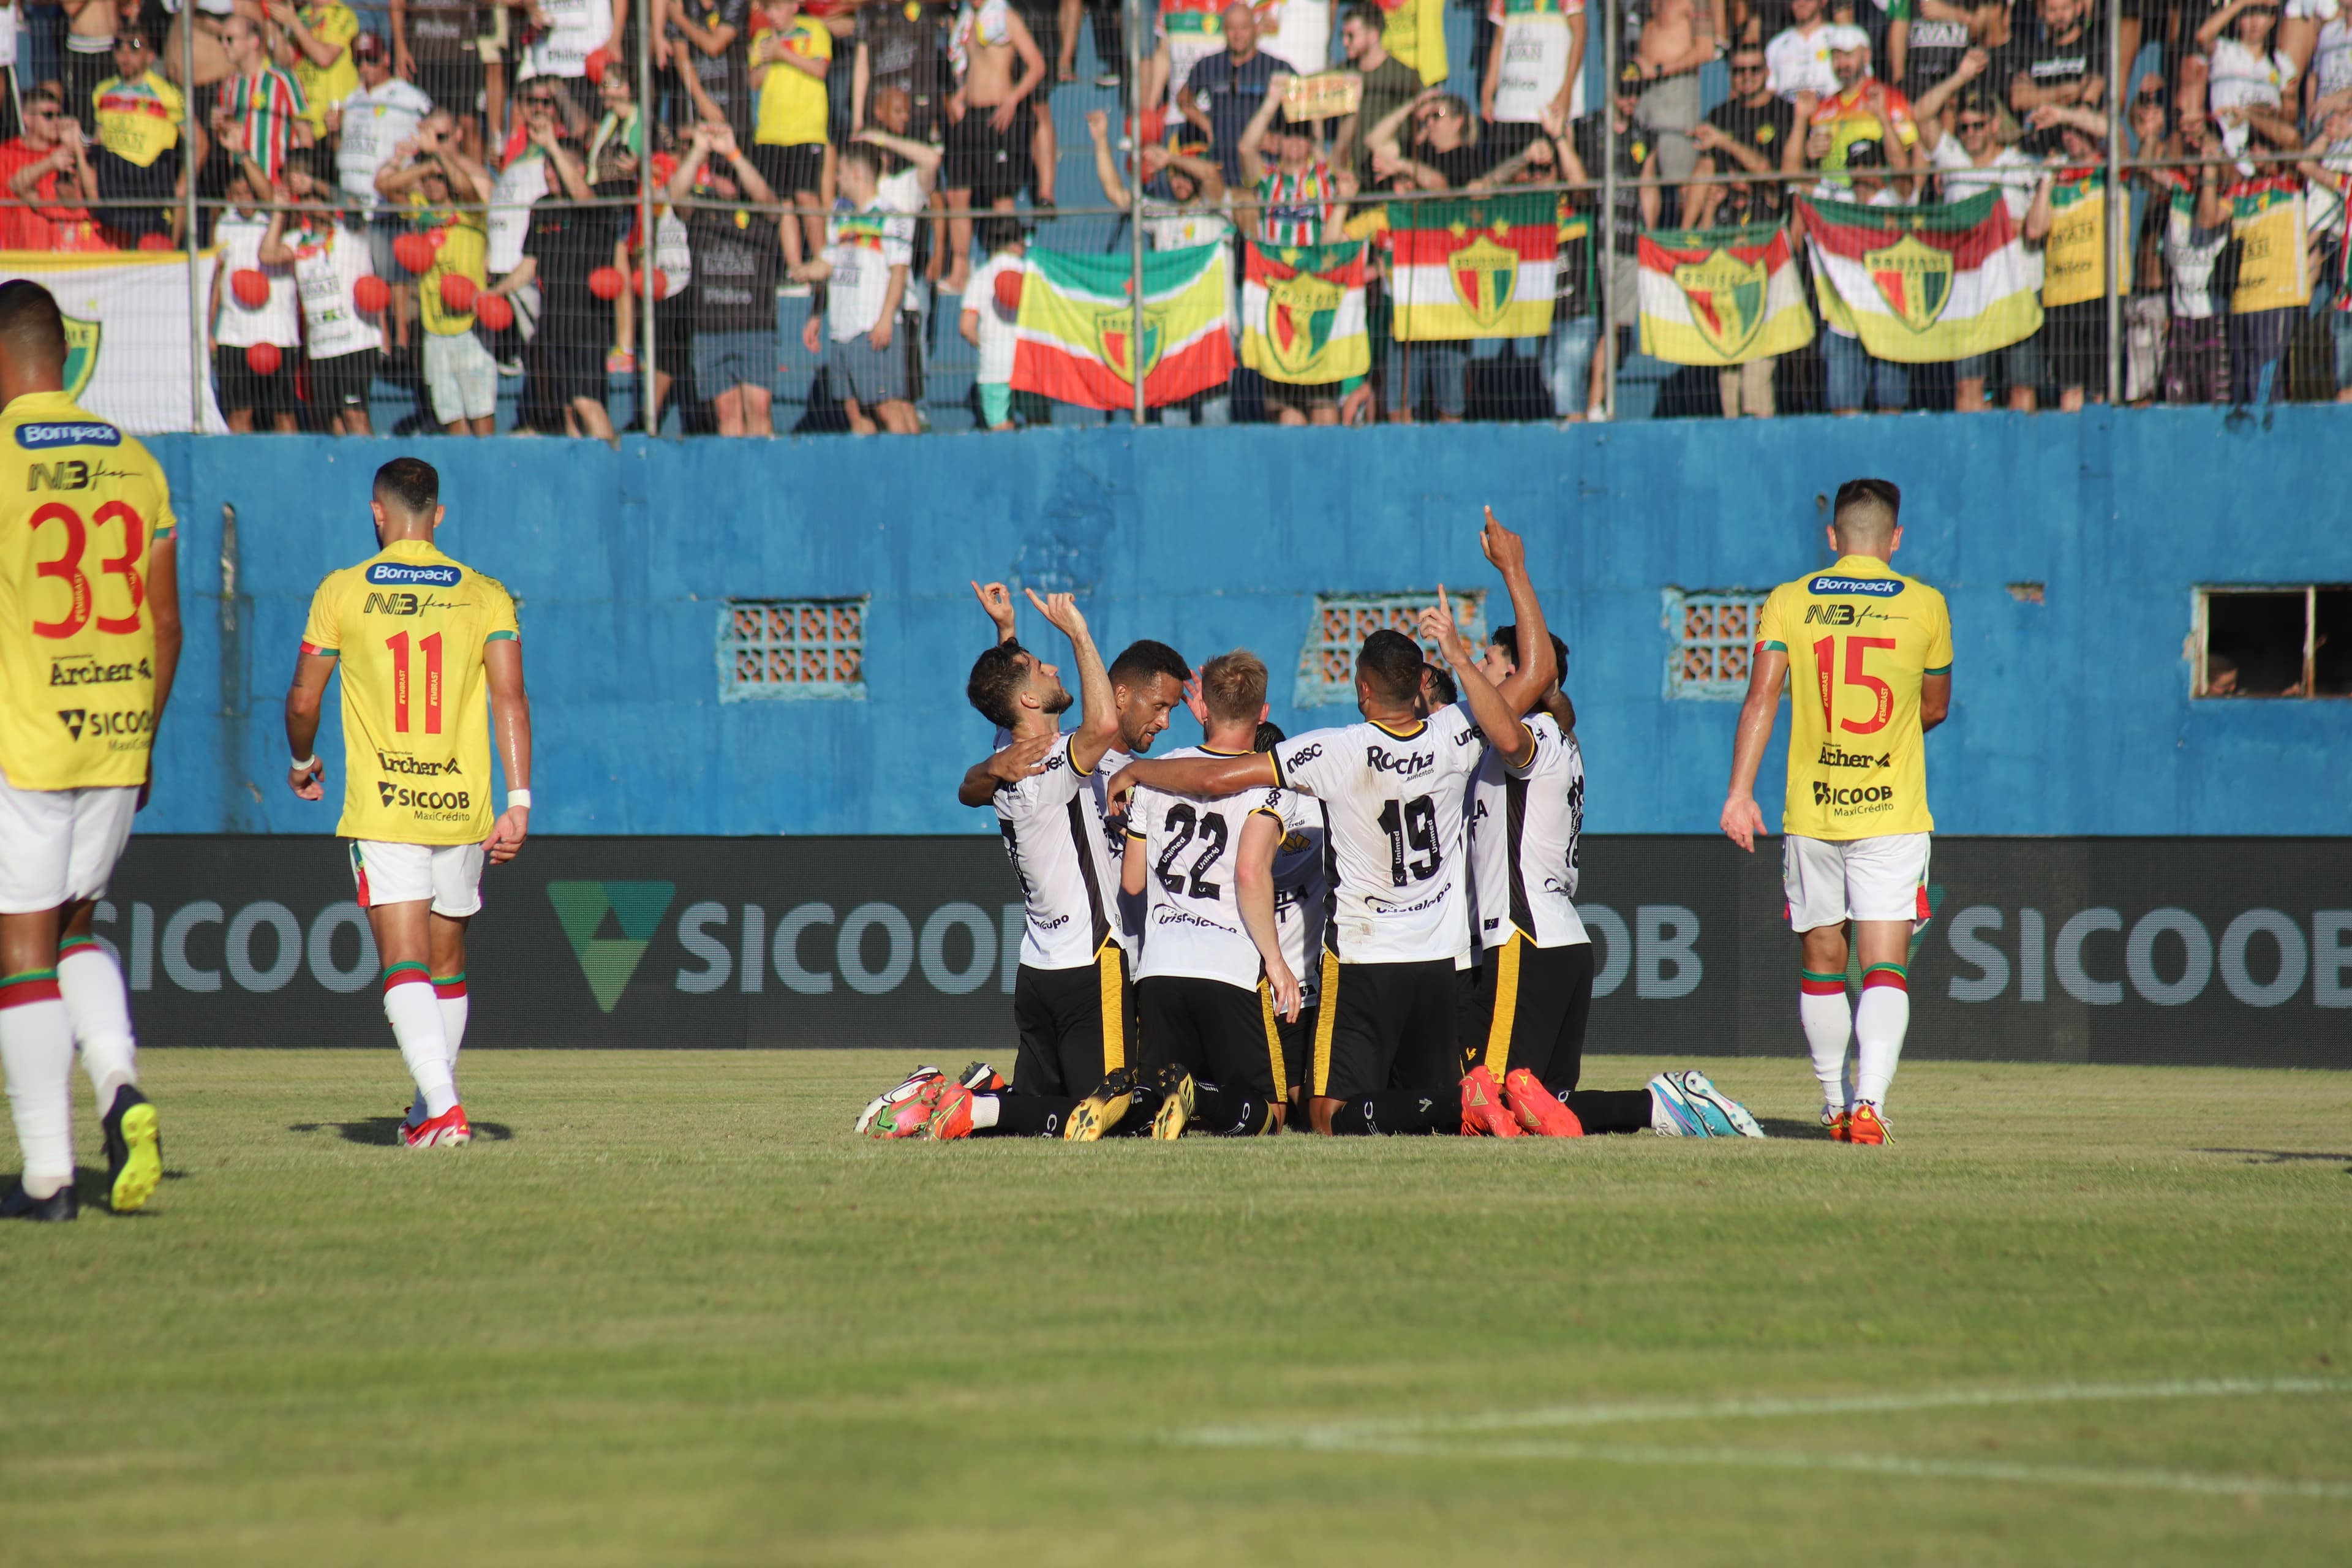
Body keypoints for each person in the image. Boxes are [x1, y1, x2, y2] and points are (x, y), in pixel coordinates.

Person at [1102, 514, 1555, 1138]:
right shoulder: (1458, 732)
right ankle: (1462, 1104)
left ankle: (1456, 1105)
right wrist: (1513, 573)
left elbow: (1213, 780)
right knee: (1419, 1102)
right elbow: (1536, 673)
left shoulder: (1334, 751)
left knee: (1323, 1114)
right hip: (1441, 958)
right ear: (1424, 684)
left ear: (1362, 690)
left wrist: (1142, 772)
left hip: (1365, 955)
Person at [1438, 604, 1764, 1137]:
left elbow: (1511, 730)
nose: (1480, 665)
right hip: (1561, 940)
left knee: (1484, 1104)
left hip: (1525, 936)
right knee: (1542, 1109)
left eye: (1492, 660)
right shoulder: (1560, 736)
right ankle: (1659, 1106)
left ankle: (1662, 1102)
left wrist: (1460, 649)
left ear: (1524, 674)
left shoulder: (1533, 737)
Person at [285, 458, 533, 1152]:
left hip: (387, 807)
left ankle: (444, 1107)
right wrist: (519, 800)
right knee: (447, 963)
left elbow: (304, 698)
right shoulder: (485, 594)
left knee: (405, 962)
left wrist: (303, 763)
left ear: (377, 512)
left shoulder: (342, 591)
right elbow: (510, 698)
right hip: (463, 806)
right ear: (440, 517)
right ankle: (431, 1106)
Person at [0, 279, 178, 1221]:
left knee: (21, 951)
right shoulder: (137, 463)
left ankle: (47, 1178)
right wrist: (143, 741)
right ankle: (119, 1088)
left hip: (24, 738)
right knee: (75, 932)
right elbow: (166, 623)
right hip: (115, 735)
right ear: (64, 356)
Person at [866, 591, 1155, 1140]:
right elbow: (1102, 725)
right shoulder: (1048, 761)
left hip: (1038, 967)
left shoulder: (1009, 755)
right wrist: (1079, 633)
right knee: (1110, 1114)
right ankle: (974, 1108)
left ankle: (969, 1093)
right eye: (1041, 669)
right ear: (1027, 701)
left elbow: (1007, 697)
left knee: (1041, 1115)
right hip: (1089, 961)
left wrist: (1007, 629)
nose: (1052, 668)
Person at [1721, 477, 1952, 1146]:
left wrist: (1740, 792)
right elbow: (1934, 706)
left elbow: (1762, 696)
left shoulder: (1790, 600)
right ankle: (1870, 1105)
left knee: (1823, 962)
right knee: (1884, 964)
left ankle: (1832, 1102)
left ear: (1833, 537)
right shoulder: (1927, 605)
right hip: (1893, 812)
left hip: (1813, 813)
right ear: (1895, 538)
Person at [1117, 650, 1299, 1136]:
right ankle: (1200, 1095)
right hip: (1229, 969)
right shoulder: (1270, 781)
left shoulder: (1157, 773)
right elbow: (1249, 873)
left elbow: (1132, 882)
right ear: (1263, 714)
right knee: (1270, 1112)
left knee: (1157, 1099)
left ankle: (1133, 1096)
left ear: (1205, 710)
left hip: (1160, 970)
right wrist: (1277, 964)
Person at [1916, 47, 2047, 410]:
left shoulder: (2020, 165)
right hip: (1970, 292)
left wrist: (2013, 226)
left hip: (2018, 287)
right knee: (1967, 388)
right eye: (1965, 127)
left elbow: (2037, 223)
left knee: (2022, 389)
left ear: (1993, 124)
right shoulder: (1954, 160)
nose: (1971, 133)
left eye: (1978, 125)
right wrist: (1960, 77)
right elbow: (1921, 113)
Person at [1238, 74, 1357, 423]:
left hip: (1317, 297)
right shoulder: (1268, 178)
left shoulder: (1323, 177)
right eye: (1289, 133)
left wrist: (1349, 107)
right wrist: (1273, 100)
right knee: (1288, 416)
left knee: (1325, 412)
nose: (1295, 142)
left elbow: (1344, 149)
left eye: (1302, 135)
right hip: (1280, 302)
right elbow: (1246, 148)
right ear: (1278, 140)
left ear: (1310, 142)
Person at [378, 111, 499, 434]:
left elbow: (465, 184)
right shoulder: (421, 208)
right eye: (428, 179)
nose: (433, 184)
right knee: (451, 420)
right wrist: (416, 162)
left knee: (481, 418)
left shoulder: (470, 210)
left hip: (470, 330)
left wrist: (440, 158)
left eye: (438, 177)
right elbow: (384, 185)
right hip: (436, 333)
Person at [671, 120, 785, 436]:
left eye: (731, 172)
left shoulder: (759, 208)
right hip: (712, 327)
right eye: (719, 172)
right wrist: (697, 153)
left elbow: (772, 206)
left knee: (759, 410)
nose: (726, 181)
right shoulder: (702, 204)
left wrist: (733, 152)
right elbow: (674, 197)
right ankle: (734, 481)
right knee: (727, 414)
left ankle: (763, 480)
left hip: (755, 325)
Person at [800, 141, 919, 434]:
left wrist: (885, 320)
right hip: (841, 331)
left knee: (888, 407)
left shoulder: (891, 216)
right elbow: (827, 264)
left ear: (855, 174)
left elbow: (899, 272)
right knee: (853, 410)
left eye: (840, 172)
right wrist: (800, 272)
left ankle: (913, 469)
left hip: (870, 328)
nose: (836, 179)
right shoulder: (841, 217)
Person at [263, 149, 385, 434]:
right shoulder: (298, 240)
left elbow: (353, 206)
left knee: (355, 416)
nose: (311, 205)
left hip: (355, 343)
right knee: (333, 423)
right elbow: (268, 255)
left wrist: (313, 183)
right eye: (304, 201)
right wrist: (279, 214)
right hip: (321, 349)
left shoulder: (349, 231)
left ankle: (372, 474)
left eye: (315, 199)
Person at [942, 0, 1046, 291]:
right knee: (957, 195)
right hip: (970, 117)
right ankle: (960, 269)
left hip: (998, 116)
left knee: (1002, 196)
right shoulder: (966, 22)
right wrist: (960, 96)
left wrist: (1013, 98)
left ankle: (1008, 265)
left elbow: (1037, 65)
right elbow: (971, 68)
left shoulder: (1006, 17)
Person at [212, 163, 303, 432]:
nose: (245, 199)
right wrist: (209, 331)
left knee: (283, 414)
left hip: (277, 333)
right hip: (234, 334)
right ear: (230, 195)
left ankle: (291, 470)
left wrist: (242, 153)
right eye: (238, 194)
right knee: (239, 413)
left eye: (250, 193)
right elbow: (216, 280)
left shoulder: (278, 218)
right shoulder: (224, 224)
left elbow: (267, 194)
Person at [89, 29, 198, 247]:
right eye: (119, 47)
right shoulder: (104, 91)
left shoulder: (166, 93)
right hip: (114, 193)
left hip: (151, 192)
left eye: (135, 47)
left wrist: (183, 185)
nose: (125, 55)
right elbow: (97, 143)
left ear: (150, 55)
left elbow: (200, 142)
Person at [751, 0, 835, 273]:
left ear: (794, 6)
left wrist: (781, 53)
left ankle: (822, 263)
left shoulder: (815, 31)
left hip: (806, 129)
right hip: (771, 132)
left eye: (777, 8)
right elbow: (753, 82)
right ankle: (796, 268)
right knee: (783, 201)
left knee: (807, 197)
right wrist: (768, 58)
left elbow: (820, 70)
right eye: (769, 10)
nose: (773, 16)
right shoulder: (763, 38)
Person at [1182, 1, 1282, 183]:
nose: (1238, 35)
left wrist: (1280, 139)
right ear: (1224, 31)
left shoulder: (1275, 67)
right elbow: (1183, 98)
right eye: (1231, 29)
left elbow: (1300, 106)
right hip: (1221, 165)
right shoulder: (1210, 64)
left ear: (1255, 28)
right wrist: (1205, 124)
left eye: (1244, 28)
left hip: (1261, 167)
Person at [2, 82, 105, 252]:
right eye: (48, 115)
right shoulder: (7, 153)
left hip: (71, 247)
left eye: (59, 115)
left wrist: (77, 148)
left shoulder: (67, 152)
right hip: (21, 253)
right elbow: (16, 185)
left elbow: (95, 197)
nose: (56, 122)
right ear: (27, 118)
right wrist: (51, 162)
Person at [1482, 0, 1586, 160]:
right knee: (1508, 175)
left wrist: (1567, 90)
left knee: (1548, 176)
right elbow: (1499, 39)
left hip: (1547, 109)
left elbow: (1580, 33)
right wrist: (1487, 92)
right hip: (1509, 109)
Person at [215, 10, 306, 187]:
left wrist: (299, 179)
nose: (224, 45)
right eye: (222, 39)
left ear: (254, 41)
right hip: (243, 192)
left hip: (278, 187)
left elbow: (305, 134)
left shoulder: (282, 80)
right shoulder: (229, 86)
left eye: (230, 39)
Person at [1333, 2, 1420, 187]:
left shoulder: (1405, 76)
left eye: (1351, 36)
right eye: (1343, 35)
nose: (1345, 42)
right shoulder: (1341, 73)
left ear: (1373, 35)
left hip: (1389, 177)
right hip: (1350, 178)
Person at [960, 214, 1026, 429]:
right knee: (1039, 428)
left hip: (994, 367)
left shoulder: (980, 276)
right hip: (1028, 364)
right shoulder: (1032, 273)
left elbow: (967, 327)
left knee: (1001, 431)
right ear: (1017, 243)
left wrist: (989, 344)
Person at [393, 0, 490, 145]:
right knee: (424, 124)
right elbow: (397, 3)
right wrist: (400, 47)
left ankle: (470, 167)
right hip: (422, 56)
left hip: (462, 54)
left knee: (467, 124)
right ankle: (426, 166)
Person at [270, 0, 360, 142]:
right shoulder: (303, 15)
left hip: (333, 120)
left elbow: (325, 58)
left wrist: (293, 22)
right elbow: (285, 62)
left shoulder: (343, 13)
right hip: (307, 119)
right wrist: (277, 29)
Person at [666, 0, 755, 141]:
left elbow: (714, 46)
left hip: (734, 112)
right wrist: (702, 101)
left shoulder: (734, 3)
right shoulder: (682, 5)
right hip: (697, 109)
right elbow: (681, 58)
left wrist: (679, 19)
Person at [1765, 0, 1839, 104]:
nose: (1801, 3)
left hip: (1831, 114)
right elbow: (1770, 89)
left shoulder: (1839, 37)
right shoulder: (1776, 45)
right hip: (1788, 116)